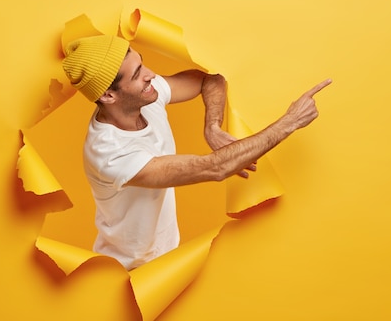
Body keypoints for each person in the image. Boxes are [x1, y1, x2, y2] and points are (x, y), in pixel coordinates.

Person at [62, 34, 331, 270]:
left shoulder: (147, 96)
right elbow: (214, 168)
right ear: (109, 96)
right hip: (126, 273)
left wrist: (212, 126)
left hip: (168, 260)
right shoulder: (110, 154)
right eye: (137, 75)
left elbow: (211, 79)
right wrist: (290, 121)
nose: (151, 75)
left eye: (142, 64)